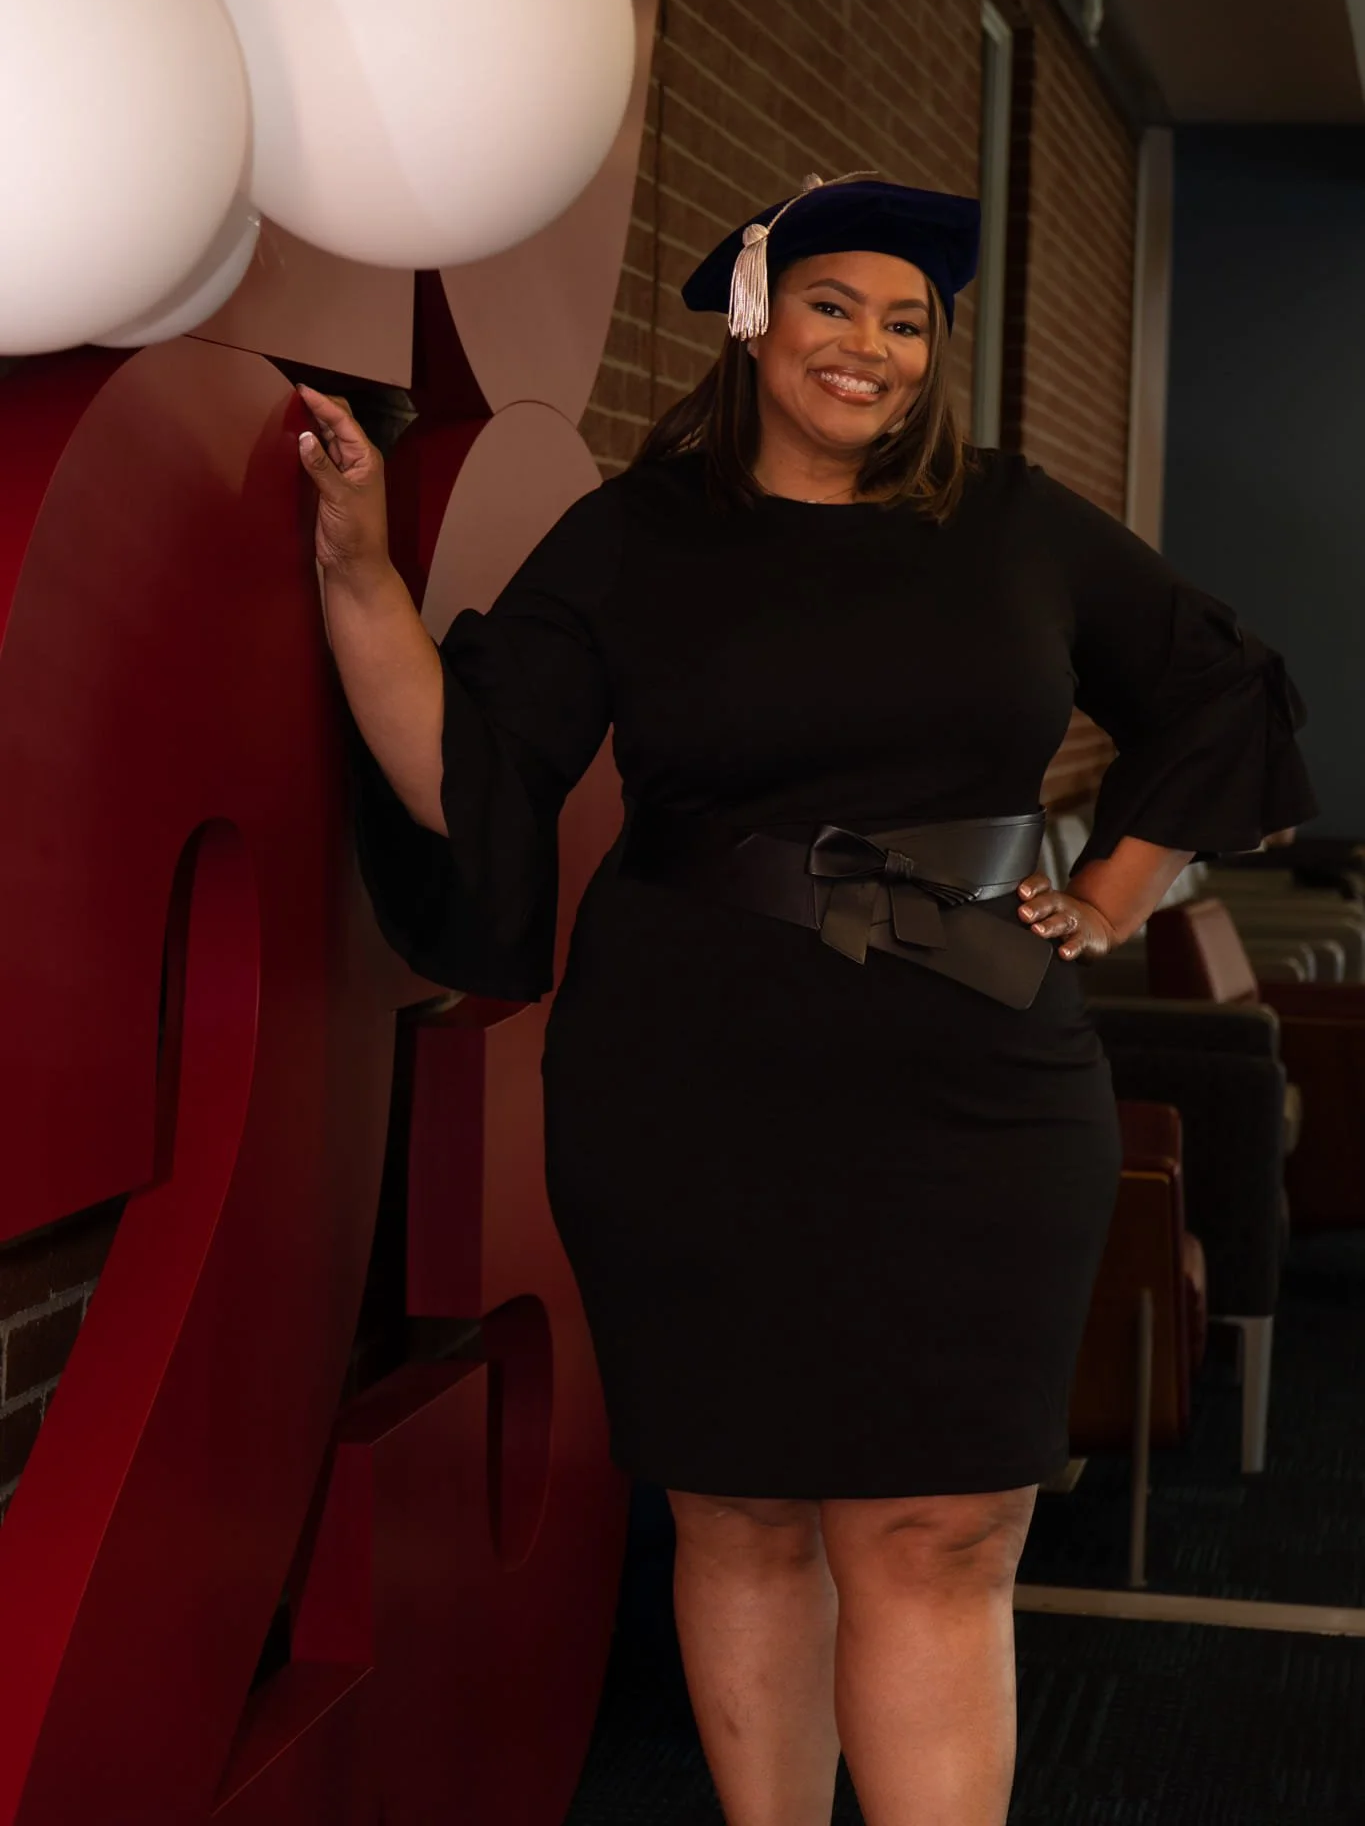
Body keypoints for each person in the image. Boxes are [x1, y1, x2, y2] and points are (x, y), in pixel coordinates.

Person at [297, 172, 1316, 1826]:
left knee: (946, 1530)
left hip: (980, 1092)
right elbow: (470, 768)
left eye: (910, 322)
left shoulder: (1011, 520)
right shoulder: (638, 534)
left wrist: (1109, 897)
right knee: (745, 1513)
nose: (874, 347)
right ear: (757, 317)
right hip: (696, 1085)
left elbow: (1223, 691)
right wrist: (357, 576)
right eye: (837, 305)